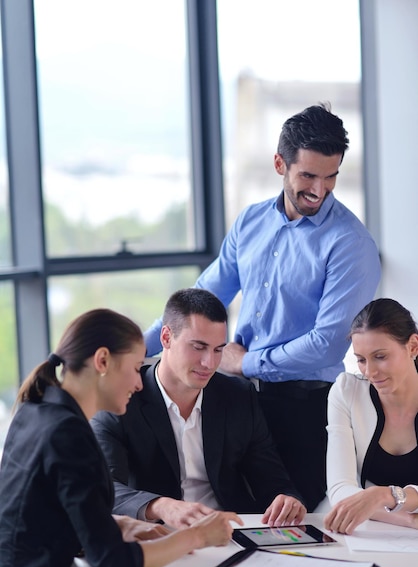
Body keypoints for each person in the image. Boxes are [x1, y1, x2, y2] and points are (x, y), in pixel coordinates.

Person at [144, 103, 381, 511]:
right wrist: (136, 352)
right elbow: (203, 295)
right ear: (279, 164)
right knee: (226, 513)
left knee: (284, 522)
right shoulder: (251, 222)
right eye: (308, 175)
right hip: (234, 398)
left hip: (302, 407)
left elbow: (326, 345)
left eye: (331, 177)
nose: (319, 190)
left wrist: (245, 362)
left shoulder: (350, 244)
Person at [0, 309, 242, 567]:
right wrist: (196, 537)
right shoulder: (69, 434)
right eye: (135, 368)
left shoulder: (38, 408)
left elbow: (49, 509)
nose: (139, 383)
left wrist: (120, 525)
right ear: (102, 361)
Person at [91, 288, 306, 530]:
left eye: (218, 349)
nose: (210, 363)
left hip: (230, 532)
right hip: (158, 534)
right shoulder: (122, 399)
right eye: (198, 347)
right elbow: (105, 489)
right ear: (166, 338)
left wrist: (288, 499)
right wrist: (160, 506)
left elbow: (273, 480)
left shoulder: (238, 396)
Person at [324, 298, 418, 535]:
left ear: (413, 347)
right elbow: (339, 490)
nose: (370, 372)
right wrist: (408, 519)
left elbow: (359, 500)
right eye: (361, 360)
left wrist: (383, 496)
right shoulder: (346, 391)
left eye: (380, 356)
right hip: (369, 533)